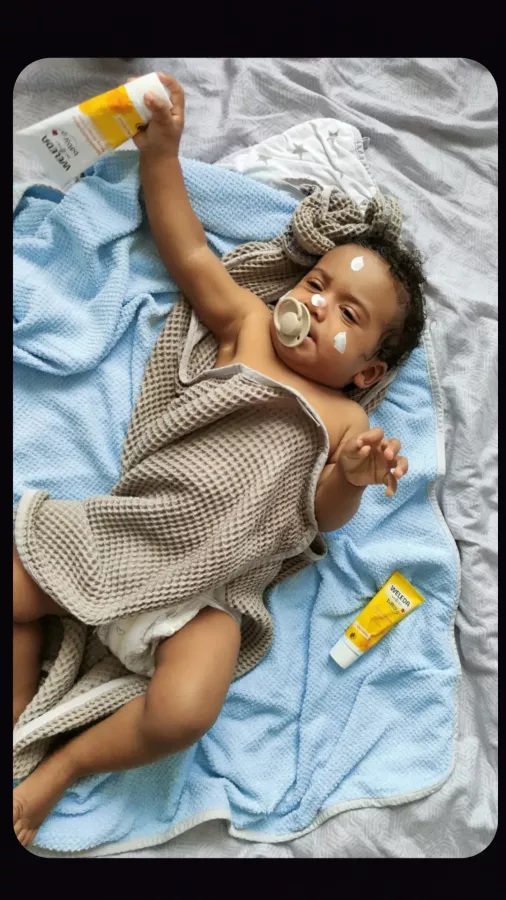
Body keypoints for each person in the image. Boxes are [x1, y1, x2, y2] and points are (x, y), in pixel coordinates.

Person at [13, 74, 425, 846]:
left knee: (184, 714)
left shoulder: (345, 421)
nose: (316, 305)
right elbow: (191, 251)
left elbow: (321, 517)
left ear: (368, 371)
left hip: (211, 592)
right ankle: (20, 710)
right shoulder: (251, 324)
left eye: (346, 312)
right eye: (316, 283)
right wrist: (161, 155)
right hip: (134, 529)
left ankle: (62, 767)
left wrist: (352, 477)